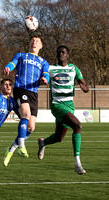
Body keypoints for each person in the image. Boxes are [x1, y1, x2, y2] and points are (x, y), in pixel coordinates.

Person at [38, 45, 89, 175]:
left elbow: (85, 85)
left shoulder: (73, 68)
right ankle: (77, 163)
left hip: (69, 106)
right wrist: (42, 80)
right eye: (58, 52)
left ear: (68, 55)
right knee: (77, 126)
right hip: (57, 105)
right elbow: (41, 80)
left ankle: (43, 143)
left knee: (59, 137)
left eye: (63, 52)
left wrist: (85, 88)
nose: (60, 53)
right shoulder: (50, 68)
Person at [3, 34, 49, 166]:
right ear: (29, 44)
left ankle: (11, 149)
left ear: (41, 46)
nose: (34, 42)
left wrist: (45, 79)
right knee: (26, 115)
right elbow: (12, 63)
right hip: (20, 89)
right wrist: (8, 67)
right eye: (32, 40)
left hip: (33, 93)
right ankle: (22, 146)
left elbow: (46, 73)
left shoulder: (43, 62)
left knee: (31, 127)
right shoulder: (21, 55)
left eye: (37, 41)